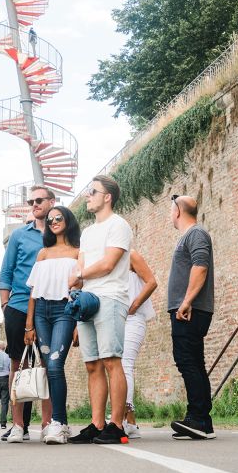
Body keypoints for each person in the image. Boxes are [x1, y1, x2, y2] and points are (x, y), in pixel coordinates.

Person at [68, 175, 132, 445]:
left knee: (111, 360)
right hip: (86, 300)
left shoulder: (119, 225)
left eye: (92, 192)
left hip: (110, 297)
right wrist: (75, 287)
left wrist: (80, 274)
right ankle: (97, 423)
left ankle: (117, 425)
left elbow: (108, 264)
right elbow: (80, 266)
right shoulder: (87, 232)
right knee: (92, 365)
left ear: (107, 196)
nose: (87, 196)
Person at [0, 185, 54, 443]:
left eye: (39, 200)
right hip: (19, 306)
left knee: (48, 364)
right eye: (31, 201)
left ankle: (48, 424)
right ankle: (18, 425)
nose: (34, 204)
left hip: (51, 306)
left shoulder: (60, 234)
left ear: (52, 202)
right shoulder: (20, 235)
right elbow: (6, 273)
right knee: (16, 364)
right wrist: (4, 307)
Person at [23, 205, 81, 444]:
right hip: (41, 313)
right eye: (50, 219)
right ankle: (56, 423)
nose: (54, 221)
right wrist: (29, 326)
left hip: (65, 311)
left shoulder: (78, 252)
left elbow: (80, 289)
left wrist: (78, 323)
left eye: (59, 217)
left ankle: (59, 423)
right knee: (49, 366)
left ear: (68, 220)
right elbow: (34, 293)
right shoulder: (43, 253)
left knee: (56, 365)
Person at [167, 194, 216, 440]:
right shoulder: (189, 236)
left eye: (171, 209)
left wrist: (186, 301)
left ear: (177, 211)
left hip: (189, 310)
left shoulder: (196, 234)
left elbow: (200, 266)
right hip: (188, 309)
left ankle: (197, 417)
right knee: (194, 362)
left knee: (187, 360)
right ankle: (202, 422)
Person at [121, 250, 158, 439]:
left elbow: (151, 282)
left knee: (124, 364)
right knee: (114, 366)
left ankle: (122, 418)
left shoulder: (131, 255)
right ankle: (131, 422)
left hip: (133, 319)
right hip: (114, 319)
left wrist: (134, 306)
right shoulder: (105, 259)